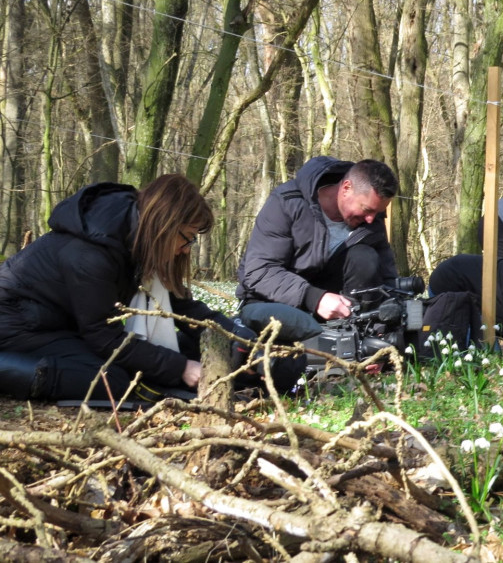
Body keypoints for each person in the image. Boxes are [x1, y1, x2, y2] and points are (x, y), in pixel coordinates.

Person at [0, 175, 259, 402]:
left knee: (143, 367)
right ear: (164, 226)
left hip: (57, 324)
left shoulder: (140, 242)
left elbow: (183, 308)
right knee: (112, 382)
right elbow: (102, 335)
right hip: (17, 324)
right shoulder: (91, 254)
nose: (187, 248)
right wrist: (182, 368)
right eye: (187, 237)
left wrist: (237, 342)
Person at [236, 156, 399, 347]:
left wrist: (387, 323)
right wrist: (315, 298)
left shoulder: (371, 220)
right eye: (367, 209)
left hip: (336, 313)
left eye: (377, 213)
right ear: (346, 188)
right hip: (271, 302)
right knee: (299, 326)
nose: (371, 219)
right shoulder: (286, 203)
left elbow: (386, 281)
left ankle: (356, 340)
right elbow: (259, 272)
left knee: (364, 257)